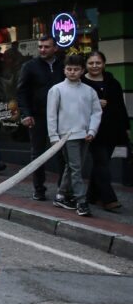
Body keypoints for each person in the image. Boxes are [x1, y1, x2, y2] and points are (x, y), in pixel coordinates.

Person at [47, 54, 103, 216]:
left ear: (82, 71)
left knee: (72, 167)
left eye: (76, 69)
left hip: (85, 135)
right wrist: (54, 137)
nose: (72, 72)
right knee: (76, 169)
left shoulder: (89, 91)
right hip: (66, 135)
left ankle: (60, 195)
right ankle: (81, 201)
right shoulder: (56, 89)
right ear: (64, 70)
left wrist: (92, 130)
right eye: (69, 69)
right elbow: (51, 115)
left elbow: (96, 113)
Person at [16, 35, 65, 201]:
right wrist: (26, 113)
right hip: (38, 116)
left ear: (55, 48)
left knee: (62, 154)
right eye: (40, 47)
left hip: (61, 117)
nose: (43, 50)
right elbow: (21, 92)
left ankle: (63, 189)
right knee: (38, 154)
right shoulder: (29, 66)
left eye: (47, 47)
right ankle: (39, 189)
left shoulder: (63, 65)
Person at [83, 51, 130, 213]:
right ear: (86, 65)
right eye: (91, 63)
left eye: (98, 63)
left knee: (101, 163)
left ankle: (91, 195)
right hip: (91, 131)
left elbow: (120, 107)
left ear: (104, 64)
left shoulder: (113, 83)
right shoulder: (81, 83)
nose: (94, 66)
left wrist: (126, 128)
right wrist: (94, 104)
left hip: (111, 130)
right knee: (101, 162)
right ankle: (109, 199)